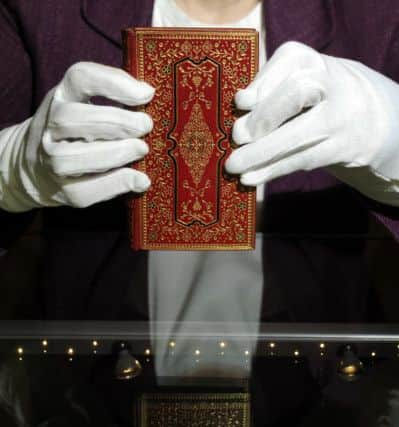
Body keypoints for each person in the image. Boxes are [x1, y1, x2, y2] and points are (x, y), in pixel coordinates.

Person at [1, 0, 399, 425]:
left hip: (312, 371)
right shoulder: (39, 9)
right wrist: (10, 171)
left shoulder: (380, 12)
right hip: (92, 370)